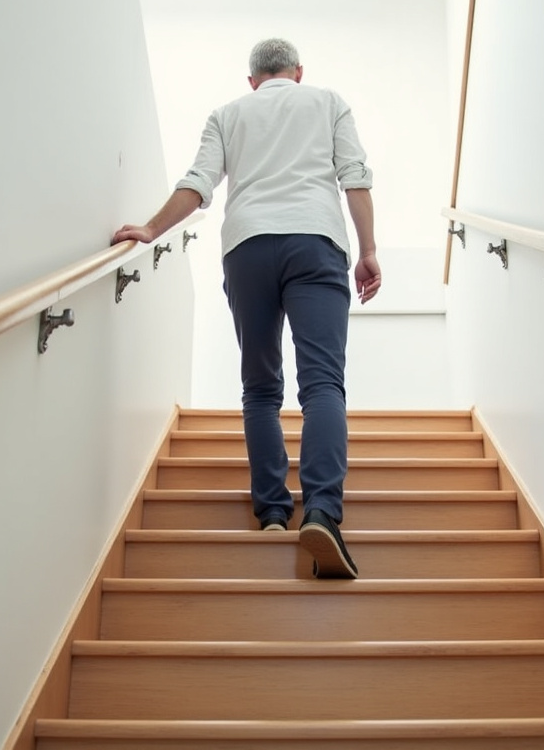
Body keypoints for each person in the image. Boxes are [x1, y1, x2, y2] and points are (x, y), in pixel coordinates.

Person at [112, 38, 380, 579]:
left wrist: (149, 229)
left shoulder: (228, 114)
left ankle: (274, 513)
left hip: (247, 246)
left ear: (251, 79)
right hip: (315, 241)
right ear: (298, 72)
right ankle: (323, 512)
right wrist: (369, 250)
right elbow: (355, 177)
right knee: (323, 384)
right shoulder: (327, 101)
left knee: (260, 386)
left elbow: (199, 183)